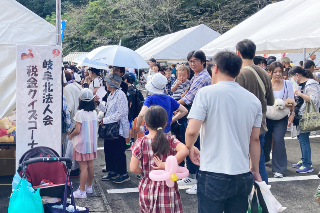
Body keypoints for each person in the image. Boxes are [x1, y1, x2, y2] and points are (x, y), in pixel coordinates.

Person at [185, 51, 262, 213]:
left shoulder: (206, 94)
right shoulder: (253, 100)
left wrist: (190, 147)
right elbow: (255, 139)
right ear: (238, 71)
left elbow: (192, 131)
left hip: (213, 172)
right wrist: (255, 169)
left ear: (216, 68)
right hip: (242, 174)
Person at [130, 106, 189, 213]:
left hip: (147, 186)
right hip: (167, 186)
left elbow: (133, 168)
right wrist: (167, 165)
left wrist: (145, 172)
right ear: (165, 124)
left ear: (146, 124)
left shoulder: (140, 142)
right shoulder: (170, 140)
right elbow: (184, 150)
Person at [235, 39, 275, 184]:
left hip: (244, 127)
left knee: (243, 165)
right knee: (259, 165)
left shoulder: (239, 74)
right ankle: (263, 195)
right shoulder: (264, 73)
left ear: (238, 53)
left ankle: (249, 198)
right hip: (262, 125)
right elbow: (271, 101)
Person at [177, 50, 211, 195]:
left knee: (196, 148)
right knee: (191, 146)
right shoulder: (197, 76)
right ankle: (192, 176)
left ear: (203, 62)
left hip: (199, 116)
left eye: (195, 61)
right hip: (194, 114)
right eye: (190, 61)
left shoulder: (202, 77)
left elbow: (188, 98)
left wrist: (172, 107)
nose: (193, 64)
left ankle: (199, 179)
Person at [96, 73, 130, 183]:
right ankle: (112, 170)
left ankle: (123, 173)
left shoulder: (120, 94)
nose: (105, 84)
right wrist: (98, 104)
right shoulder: (111, 94)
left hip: (118, 128)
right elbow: (107, 110)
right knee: (109, 149)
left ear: (111, 83)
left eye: (107, 82)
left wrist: (105, 120)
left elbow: (122, 112)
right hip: (110, 127)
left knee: (118, 151)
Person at [264, 62, 295, 178]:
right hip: (267, 116)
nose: (278, 74)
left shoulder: (287, 84)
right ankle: (265, 159)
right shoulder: (266, 84)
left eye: (280, 71)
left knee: (278, 140)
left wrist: (292, 113)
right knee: (266, 140)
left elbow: (291, 100)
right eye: (275, 71)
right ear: (270, 73)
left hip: (281, 117)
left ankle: (279, 169)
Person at [68, 88, 98, 199]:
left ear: (80, 100)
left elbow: (77, 130)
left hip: (81, 144)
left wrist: (70, 136)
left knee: (83, 168)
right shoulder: (94, 112)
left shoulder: (80, 113)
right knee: (90, 166)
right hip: (91, 144)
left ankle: (81, 191)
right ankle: (88, 187)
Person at [291, 67, 320, 173]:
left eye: (292, 76)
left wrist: (299, 94)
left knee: (304, 140)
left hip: (306, 116)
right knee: (301, 138)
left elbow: (314, 99)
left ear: (297, 75)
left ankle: (307, 164)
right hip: (300, 115)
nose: (292, 79)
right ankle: (304, 159)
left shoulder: (311, 83)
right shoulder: (302, 84)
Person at [123, 73, 137, 146]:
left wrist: (128, 112)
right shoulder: (133, 87)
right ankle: (133, 142)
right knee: (132, 126)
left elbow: (130, 102)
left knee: (129, 126)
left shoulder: (129, 89)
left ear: (126, 80)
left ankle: (129, 143)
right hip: (134, 111)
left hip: (131, 111)